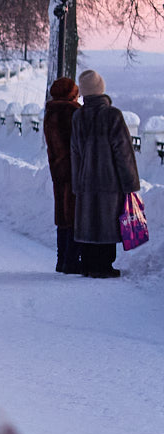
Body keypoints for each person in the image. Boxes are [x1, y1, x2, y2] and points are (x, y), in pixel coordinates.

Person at [70, 70, 141, 278]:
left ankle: (89, 263)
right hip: (110, 181)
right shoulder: (112, 115)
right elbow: (124, 153)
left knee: (89, 220)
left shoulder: (78, 116)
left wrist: (77, 182)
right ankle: (103, 266)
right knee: (107, 220)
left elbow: (74, 152)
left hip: (85, 179)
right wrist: (131, 183)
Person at [43, 77, 83, 274]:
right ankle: (71, 260)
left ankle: (61, 259)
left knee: (62, 213)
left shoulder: (50, 111)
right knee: (74, 214)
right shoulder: (72, 112)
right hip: (73, 169)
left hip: (57, 168)